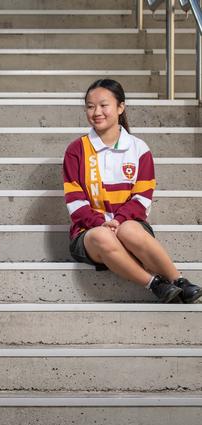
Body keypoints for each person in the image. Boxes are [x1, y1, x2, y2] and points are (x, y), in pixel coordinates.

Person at [63, 78, 201, 303]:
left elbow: (142, 197)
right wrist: (101, 223)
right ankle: (155, 284)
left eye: (103, 105)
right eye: (90, 106)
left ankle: (180, 282)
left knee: (128, 229)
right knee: (102, 236)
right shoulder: (76, 150)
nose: (96, 112)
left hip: (129, 225)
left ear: (120, 107)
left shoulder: (139, 148)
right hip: (88, 233)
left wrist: (117, 221)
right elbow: (75, 201)